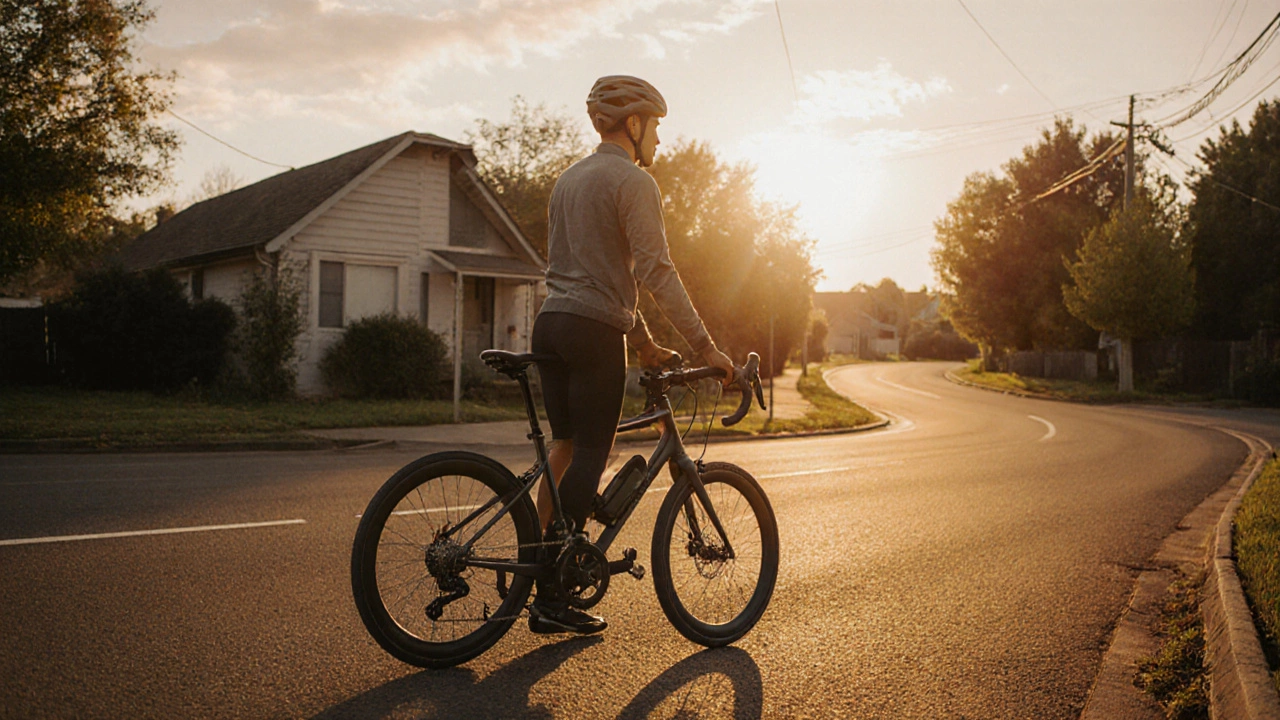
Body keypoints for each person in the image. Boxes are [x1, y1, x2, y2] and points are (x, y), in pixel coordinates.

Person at [528, 75, 735, 635]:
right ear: (636, 125)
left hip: (550, 326)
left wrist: (643, 343)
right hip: (592, 334)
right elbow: (654, 272)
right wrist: (706, 347)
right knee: (595, 447)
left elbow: (596, 277)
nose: (661, 143)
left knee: (566, 446)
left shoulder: (568, 180)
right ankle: (553, 593)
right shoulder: (634, 183)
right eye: (658, 129)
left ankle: (534, 565)